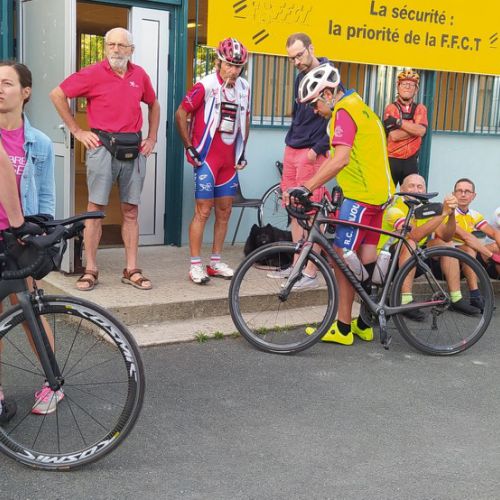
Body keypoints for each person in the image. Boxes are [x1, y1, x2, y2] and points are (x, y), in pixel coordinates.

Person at [289, 62, 395, 345]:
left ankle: (343, 328)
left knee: (341, 260)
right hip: (379, 196)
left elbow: (341, 159)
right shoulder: (361, 106)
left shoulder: (343, 112)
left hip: (361, 197)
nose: (315, 110)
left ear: (327, 94)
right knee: (366, 259)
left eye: (314, 103)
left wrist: (306, 187)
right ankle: (364, 324)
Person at [50, 27, 160, 291]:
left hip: (133, 148)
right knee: (95, 210)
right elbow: (57, 94)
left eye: (122, 45)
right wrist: (77, 131)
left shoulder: (140, 75)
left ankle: (131, 269)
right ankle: (90, 269)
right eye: (111, 44)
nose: (116, 50)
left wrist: (152, 138)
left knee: (131, 211)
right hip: (102, 148)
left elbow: (154, 103)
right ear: (105, 47)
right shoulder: (92, 73)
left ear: (131, 50)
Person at [0, 61, 60, 418]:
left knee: (30, 313)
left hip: (20, 240)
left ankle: (54, 384)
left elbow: (47, 195)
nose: (0, 88)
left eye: (7, 83)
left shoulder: (39, 143)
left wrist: (41, 234)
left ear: (25, 92)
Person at [175, 37, 250, 285]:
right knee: (203, 211)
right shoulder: (205, 85)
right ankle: (195, 265)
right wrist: (189, 146)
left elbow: (245, 119)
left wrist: (242, 151)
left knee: (225, 211)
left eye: (238, 66)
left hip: (228, 161)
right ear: (219, 62)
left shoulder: (244, 88)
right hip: (207, 158)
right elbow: (181, 113)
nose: (233, 70)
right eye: (229, 64)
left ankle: (215, 262)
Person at [269, 33, 331, 288]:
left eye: (299, 55)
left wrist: (317, 149)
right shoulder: (299, 77)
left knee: (312, 211)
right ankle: (296, 266)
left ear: (311, 48)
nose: (296, 62)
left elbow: (336, 117)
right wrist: (291, 143)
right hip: (293, 147)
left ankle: (311, 271)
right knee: (294, 209)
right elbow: (298, 114)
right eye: (292, 58)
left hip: (312, 152)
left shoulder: (329, 75)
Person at [378, 173, 481, 319]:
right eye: (411, 186)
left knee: (447, 244)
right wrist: (442, 214)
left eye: (420, 187)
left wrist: (450, 214)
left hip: (412, 259)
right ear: (402, 188)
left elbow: (446, 235)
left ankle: (456, 298)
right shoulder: (394, 208)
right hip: (386, 263)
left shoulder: (424, 208)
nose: (416, 190)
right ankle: (405, 300)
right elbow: (413, 235)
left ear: (425, 190)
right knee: (410, 243)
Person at [451, 178, 500, 303]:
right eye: (459, 191)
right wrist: (492, 256)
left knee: (496, 246)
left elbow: (494, 233)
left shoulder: (474, 214)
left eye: (467, 191)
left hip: (469, 258)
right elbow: (467, 237)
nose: (463, 194)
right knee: (469, 249)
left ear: (473, 196)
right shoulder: (449, 212)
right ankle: (475, 295)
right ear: (453, 194)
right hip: (448, 260)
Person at [383, 69, 428, 187]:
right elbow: (394, 136)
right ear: (398, 87)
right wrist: (414, 127)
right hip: (392, 159)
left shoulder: (420, 108)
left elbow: (421, 131)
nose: (407, 87)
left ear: (416, 90)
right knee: (387, 194)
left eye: (411, 84)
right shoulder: (391, 108)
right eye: (404, 84)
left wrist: (398, 122)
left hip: (411, 161)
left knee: (412, 194)